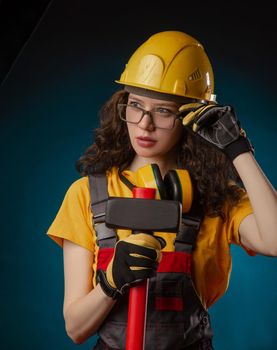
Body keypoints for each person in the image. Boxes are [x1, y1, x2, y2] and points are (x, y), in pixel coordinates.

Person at [47, 31, 277, 349]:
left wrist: (238, 150)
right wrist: (111, 282)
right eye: (136, 105)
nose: (144, 124)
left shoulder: (215, 196)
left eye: (164, 111)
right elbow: (76, 329)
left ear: (190, 118)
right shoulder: (87, 194)